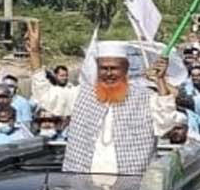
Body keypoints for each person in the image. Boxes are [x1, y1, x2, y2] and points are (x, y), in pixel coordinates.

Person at [27, 23, 176, 175]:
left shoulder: (144, 97)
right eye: (104, 68)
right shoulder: (81, 94)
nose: (109, 73)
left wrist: (161, 80)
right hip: (82, 183)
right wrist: (34, 52)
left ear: (125, 69)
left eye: (114, 68)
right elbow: (45, 95)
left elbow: (165, 123)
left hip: (130, 184)